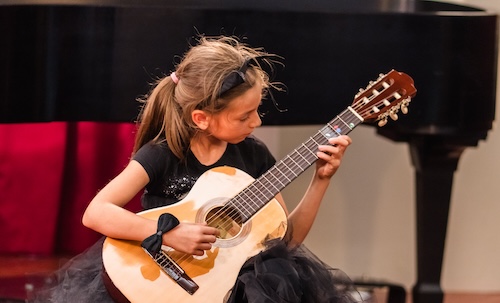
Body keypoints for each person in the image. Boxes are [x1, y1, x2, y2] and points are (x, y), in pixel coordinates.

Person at [30, 35, 357, 303]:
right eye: (244, 116)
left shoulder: (255, 156)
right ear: (201, 118)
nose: (256, 123)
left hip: (232, 289)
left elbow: (285, 241)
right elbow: (96, 213)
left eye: (257, 111)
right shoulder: (163, 153)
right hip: (158, 277)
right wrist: (169, 234)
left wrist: (320, 180)